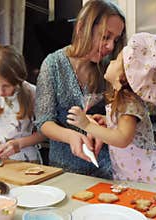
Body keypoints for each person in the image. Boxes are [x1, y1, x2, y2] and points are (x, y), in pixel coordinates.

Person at [67, 32, 156, 189]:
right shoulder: (124, 101)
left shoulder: (129, 102)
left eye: (117, 61)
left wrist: (87, 125)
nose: (111, 61)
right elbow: (126, 130)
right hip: (134, 174)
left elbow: (122, 138)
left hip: (144, 178)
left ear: (124, 76)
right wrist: (108, 121)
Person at [34, 0, 126, 179]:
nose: (111, 46)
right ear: (82, 27)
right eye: (105, 37)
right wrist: (70, 136)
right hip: (64, 171)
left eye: (115, 39)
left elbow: (116, 116)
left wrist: (103, 126)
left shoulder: (109, 69)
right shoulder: (53, 65)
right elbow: (44, 122)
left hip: (106, 168)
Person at [0, 44, 45, 163]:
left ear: (18, 79)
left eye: (6, 86)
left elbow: (44, 133)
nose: (0, 92)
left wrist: (19, 144)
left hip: (26, 160)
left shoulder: (33, 93)